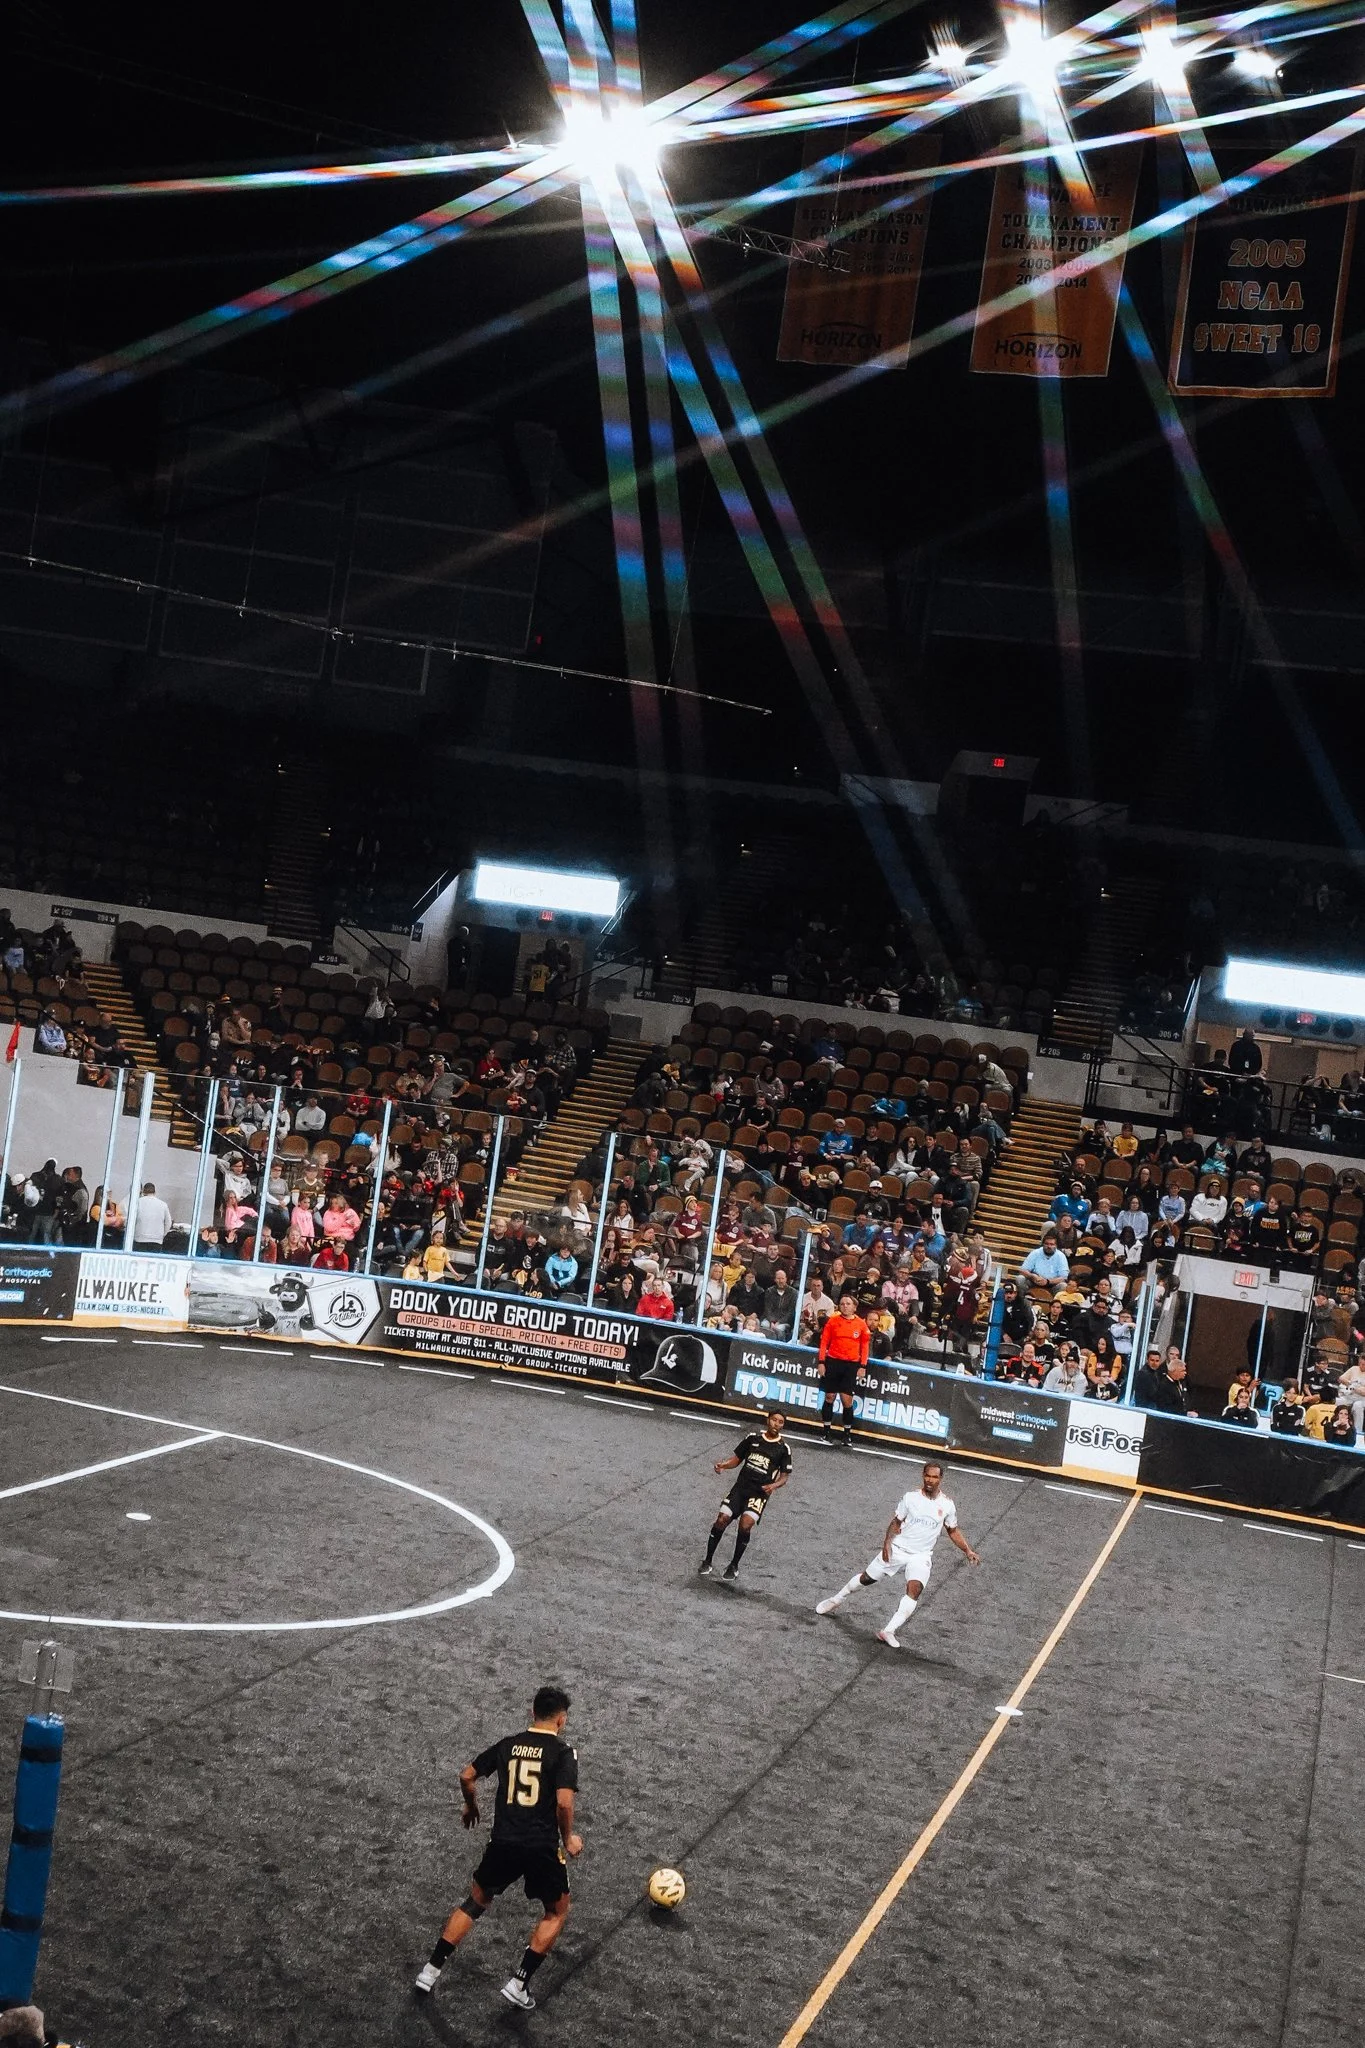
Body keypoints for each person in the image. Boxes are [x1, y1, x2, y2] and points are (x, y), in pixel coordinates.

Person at [415, 1684, 582, 2011]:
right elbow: (564, 1803)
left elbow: (467, 1776)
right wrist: (569, 1838)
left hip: (503, 1842)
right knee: (556, 1911)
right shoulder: (563, 1754)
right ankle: (519, 1982)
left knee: (476, 1902)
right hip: (541, 1847)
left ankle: (430, 1970)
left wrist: (470, 1806)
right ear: (561, 1721)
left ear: (532, 1712)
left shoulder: (509, 1745)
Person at [814, 1461, 980, 1649]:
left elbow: (952, 1530)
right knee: (867, 1578)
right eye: (927, 1475)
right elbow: (896, 1521)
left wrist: (967, 1550)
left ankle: (888, 1630)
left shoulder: (947, 1505)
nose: (930, 1480)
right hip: (898, 1549)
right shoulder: (910, 1498)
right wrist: (887, 1544)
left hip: (921, 1555)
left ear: (940, 1479)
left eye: (934, 1477)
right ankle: (837, 1599)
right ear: (923, 1475)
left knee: (915, 1589)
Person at [699, 1412, 792, 1580]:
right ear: (768, 1420)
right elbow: (737, 1459)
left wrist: (774, 1485)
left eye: (780, 1422)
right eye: (774, 1420)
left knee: (746, 1524)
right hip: (740, 1488)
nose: (776, 1424)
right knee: (722, 1519)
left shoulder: (783, 1448)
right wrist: (724, 1465)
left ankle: (734, 1565)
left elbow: (785, 1476)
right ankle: (707, 1560)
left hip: (759, 1493)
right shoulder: (753, 1438)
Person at [817, 1292, 870, 1446]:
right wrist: (821, 1362)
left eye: (848, 1304)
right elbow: (824, 1343)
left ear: (854, 1307)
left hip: (851, 1365)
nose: (845, 1306)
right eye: (842, 1304)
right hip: (833, 1362)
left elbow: (865, 1347)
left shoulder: (861, 1324)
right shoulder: (832, 1321)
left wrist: (863, 1366)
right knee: (829, 1397)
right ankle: (826, 1432)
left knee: (847, 1400)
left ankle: (847, 1434)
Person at [132, 1181, 172, 1250]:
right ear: (155, 1192)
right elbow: (168, 1223)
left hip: (140, 1238)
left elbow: (131, 1220)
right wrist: (162, 1234)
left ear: (143, 1191)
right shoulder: (163, 1204)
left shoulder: (137, 1202)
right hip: (157, 1240)